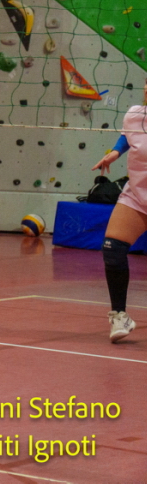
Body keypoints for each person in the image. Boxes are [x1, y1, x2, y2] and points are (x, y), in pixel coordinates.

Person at [90, 78, 146, 343]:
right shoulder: (135, 114)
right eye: (146, 83)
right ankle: (119, 315)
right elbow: (128, 135)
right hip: (138, 195)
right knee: (112, 248)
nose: (146, 88)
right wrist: (115, 152)